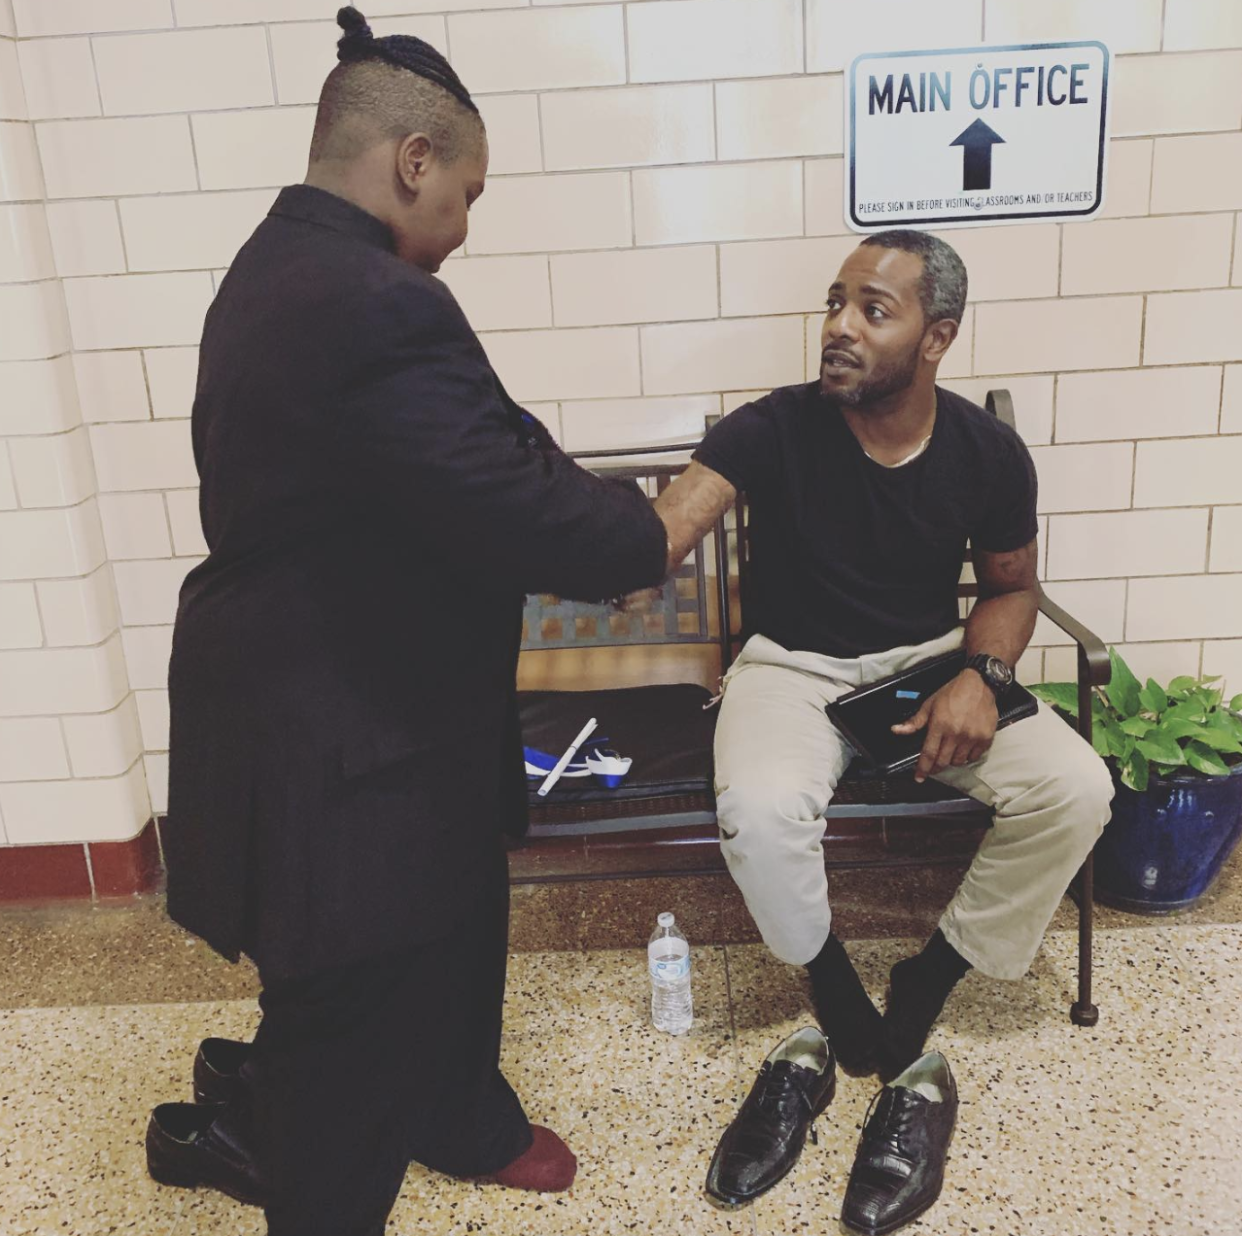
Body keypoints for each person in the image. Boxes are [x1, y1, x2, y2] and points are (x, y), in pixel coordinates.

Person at [149, 9, 671, 1235]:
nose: (467, 229)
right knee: (352, 1028)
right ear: (414, 159)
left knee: (447, 935)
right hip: (338, 736)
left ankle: (454, 1113)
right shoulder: (375, 301)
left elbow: (465, 457)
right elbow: (560, 528)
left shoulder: (278, 260)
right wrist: (680, 503)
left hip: (356, 698)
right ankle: (299, 1134)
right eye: (470, 193)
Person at [643, 229, 1114, 1080]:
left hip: (930, 666)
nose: (839, 327)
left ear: (937, 337)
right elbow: (664, 533)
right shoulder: (774, 427)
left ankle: (933, 969)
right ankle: (830, 976)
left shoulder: (987, 452)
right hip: (789, 666)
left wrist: (984, 675)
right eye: (834, 303)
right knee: (760, 808)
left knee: (1077, 789)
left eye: (873, 310)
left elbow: (1013, 588)